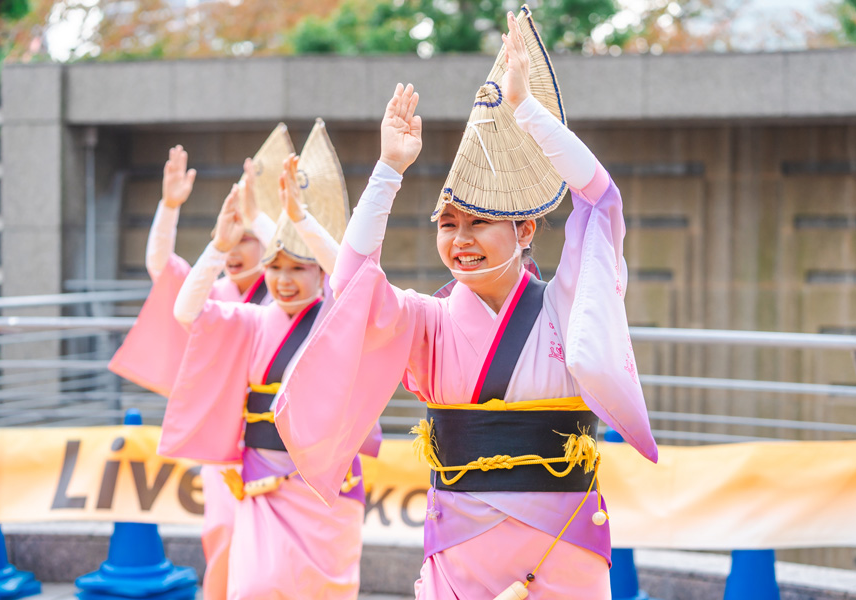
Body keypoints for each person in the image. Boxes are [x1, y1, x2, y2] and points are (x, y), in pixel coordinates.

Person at [275, 9, 658, 599]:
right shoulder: (426, 321)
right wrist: (388, 170)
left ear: (525, 230)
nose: (460, 239)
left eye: (479, 222)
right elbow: (352, 282)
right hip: (458, 551)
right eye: (448, 224)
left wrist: (528, 112)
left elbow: (601, 199)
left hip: (563, 552)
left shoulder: (566, 306)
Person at [161, 120, 382, 600]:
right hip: (261, 480)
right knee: (255, 587)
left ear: (319, 273)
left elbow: (352, 277)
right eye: (274, 267)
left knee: (324, 591)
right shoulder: (253, 320)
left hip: (326, 486)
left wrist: (295, 220)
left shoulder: (339, 319)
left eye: (297, 268)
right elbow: (186, 312)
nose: (283, 279)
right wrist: (219, 247)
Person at [109, 126, 293, 600]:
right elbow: (162, 267)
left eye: (246, 237)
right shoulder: (212, 294)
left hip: (284, 445)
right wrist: (170, 206)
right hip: (226, 439)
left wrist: (262, 217)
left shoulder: (289, 296)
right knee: (223, 538)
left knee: (280, 556)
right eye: (227, 237)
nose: (233, 250)